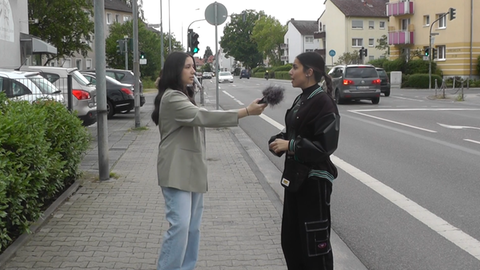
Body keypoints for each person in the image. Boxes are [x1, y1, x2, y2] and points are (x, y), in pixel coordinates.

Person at [151, 51, 267, 270]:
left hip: (192, 169)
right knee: (180, 226)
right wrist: (245, 112)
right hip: (176, 170)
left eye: (193, 66)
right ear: (175, 70)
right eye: (188, 66)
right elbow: (203, 117)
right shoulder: (172, 97)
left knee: (192, 227)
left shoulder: (182, 94)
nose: (193, 70)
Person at [268, 51, 340, 270]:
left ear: (309, 72)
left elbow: (325, 147)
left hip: (314, 182)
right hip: (296, 180)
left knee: (314, 248)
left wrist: (290, 146)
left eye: (295, 67)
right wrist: (280, 140)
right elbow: (296, 131)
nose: (290, 72)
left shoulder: (323, 102)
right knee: (291, 242)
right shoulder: (303, 98)